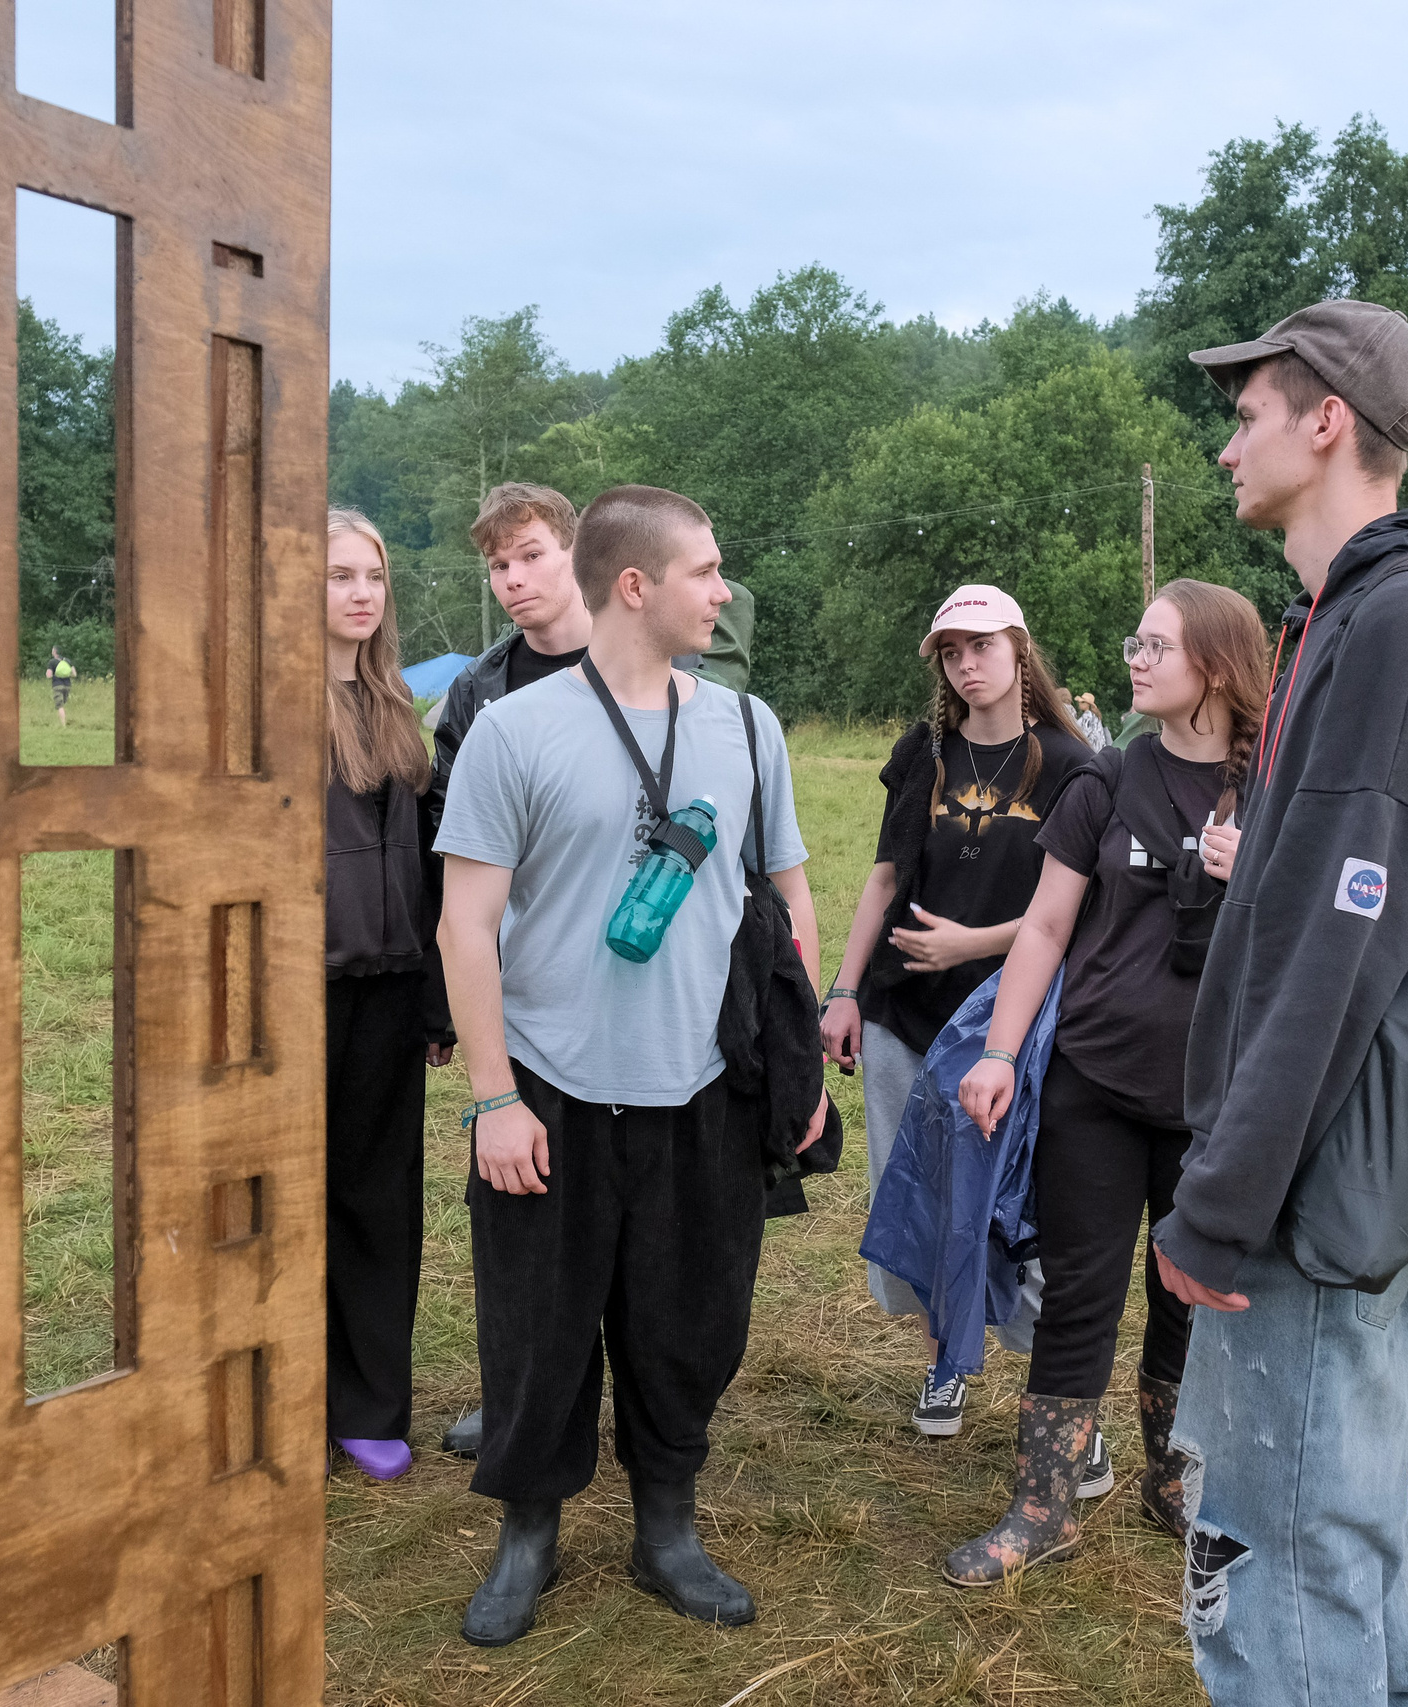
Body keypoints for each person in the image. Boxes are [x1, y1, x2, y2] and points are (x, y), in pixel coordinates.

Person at [1150, 300, 1408, 1705]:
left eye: (1250, 413)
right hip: (1322, 1165)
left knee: (1275, 1555)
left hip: (1300, 1184)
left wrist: (1221, 1195)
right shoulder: (1354, 616)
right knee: (1339, 1533)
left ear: (1327, 420)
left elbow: (1341, 942)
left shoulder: (1400, 623)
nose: (1231, 439)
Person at [436, 484, 825, 1646]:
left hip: (703, 1090)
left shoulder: (749, 730)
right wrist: (493, 1099)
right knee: (537, 1332)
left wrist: (793, 1071)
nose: (725, 590)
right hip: (548, 1094)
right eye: (706, 571)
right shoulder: (513, 729)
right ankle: (529, 1539)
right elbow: (464, 928)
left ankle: (668, 1533)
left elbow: (788, 898)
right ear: (636, 586)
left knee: (687, 1325)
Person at [943, 579, 1269, 1587]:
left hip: (1216, 1099)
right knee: (1080, 1290)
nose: (1135, 657)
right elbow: (1043, 927)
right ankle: (1043, 1506)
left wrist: (1252, 868)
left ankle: (1177, 1486)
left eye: (1156, 645)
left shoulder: (1279, 795)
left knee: (1193, 1298)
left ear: (1214, 664)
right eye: (1134, 640)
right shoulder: (1106, 777)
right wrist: (997, 1053)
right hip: (1094, 1080)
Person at [823, 586, 1092, 1440]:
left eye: (982, 645)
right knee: (927, 1195)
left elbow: (1071, 909)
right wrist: (844, 988)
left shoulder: (1068, 763)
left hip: (1007, 1022)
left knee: (1021, 1204)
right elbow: (884, 878)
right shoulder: (924, 754)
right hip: (908, 1012)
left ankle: (1060, 1391)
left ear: (1018, 649)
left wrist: (975, 944)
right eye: (952, 651)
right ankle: (946, 1357)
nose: (967, 663)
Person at [424, 484, 593, 1462]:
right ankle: (519, 1402)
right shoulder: (477, 693)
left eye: (530, 555)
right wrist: (445, 996)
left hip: (620, 977)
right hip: (510, 983)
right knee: (513, 1205)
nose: (514, 580)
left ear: (573, 550)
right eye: (498, 565)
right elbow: (444, 856)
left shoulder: (639, 666)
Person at [320, 511, 454, 1482]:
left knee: (378, 1202)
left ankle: (369, 1402)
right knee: (289, 1202)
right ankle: (284, 1392)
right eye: (338, 576)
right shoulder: (262, 708)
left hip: (390, 992)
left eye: (373, 575)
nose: (361, 593)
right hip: (295, 996)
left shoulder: (398, 708)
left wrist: (438, 999)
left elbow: (441, 873)